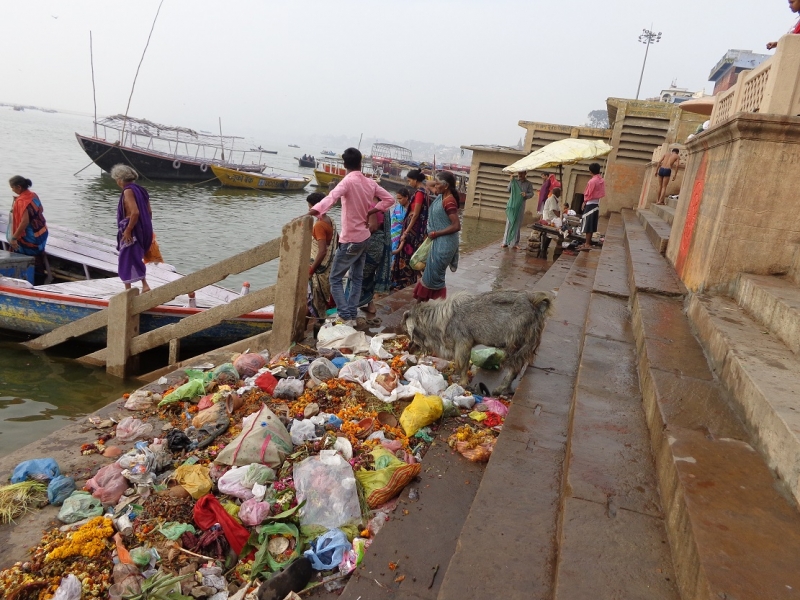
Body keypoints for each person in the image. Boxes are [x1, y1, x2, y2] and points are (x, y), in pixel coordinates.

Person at [307, 148, 394, 326]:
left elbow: (331, 197)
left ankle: (346, 315)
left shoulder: (347, 181)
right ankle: (352, 314)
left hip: (350, 239)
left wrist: (316, 210)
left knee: (335, 278)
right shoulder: (369, 183)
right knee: (357, 277)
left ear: (345, 164)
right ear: (360, 163)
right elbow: (389, 200)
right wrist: (372, 209)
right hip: (364, 237)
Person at [414, 171, 461, 301]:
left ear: (445, 186)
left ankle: (427, 309)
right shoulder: (442, 196)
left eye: (437, 184)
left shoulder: (449, 201)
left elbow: (456, 226)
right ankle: (426, 309)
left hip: (444, 244)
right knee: (430, 276)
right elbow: (426, 183)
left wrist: (436, 233)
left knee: (433, 278)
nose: (435, 186)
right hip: (438, 242)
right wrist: (434, 182)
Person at [346, 197, 391, 322]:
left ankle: (350, 312)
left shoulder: (370, 204)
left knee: (357, 276)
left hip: (371, 245)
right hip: (379, 245)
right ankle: (370, 306)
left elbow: (373, 227)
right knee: (368, 276)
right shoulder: (383, 205)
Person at [111, 164, 153, 292]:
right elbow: (149, 212)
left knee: (125, 257)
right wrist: (144, 226)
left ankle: (129, 289)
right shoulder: (141, 190)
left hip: (132, 228)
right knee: (135, 256)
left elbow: (135, 212)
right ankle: (144, 285)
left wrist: (128, 230)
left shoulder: (128, 191)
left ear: (119, 180)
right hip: (143, 228)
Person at [391, 169, 430, 290]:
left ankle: (404, 283)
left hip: (413, 231)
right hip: (417, 229)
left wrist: (407, 231)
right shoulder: (425, 190)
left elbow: (416, 214)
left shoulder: (419, 193)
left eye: (409, 180)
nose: (409, 183)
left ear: (415, 180)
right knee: (409, 255)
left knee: (406, 256)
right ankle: (408, 282)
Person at [306, 192, 338, 323]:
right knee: (318, 301)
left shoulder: (319, 225)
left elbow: (322, 251)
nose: (308, 210)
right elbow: (337, 242)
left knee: (312, 301)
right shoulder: (330, 220)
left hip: (319, 269)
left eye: (309, 207)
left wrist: (311, 270)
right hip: (328, 268)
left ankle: (301, 331)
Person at [7, 175, 48, 257]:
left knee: (13, 246)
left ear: (19, 187)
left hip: (33, 239)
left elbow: (24, 222)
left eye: (12, 187)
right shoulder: (33, 195)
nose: (12, 190)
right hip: (42, 234)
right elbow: (41, 209)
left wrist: (14, 238)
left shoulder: (21, 201)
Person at [502, 170, 534, 249]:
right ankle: (505, 242)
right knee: (509, 223)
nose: (520, 175)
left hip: (520, 206)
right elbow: (508, 190)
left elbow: (531, 193)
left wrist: (525, 194)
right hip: (512, 205)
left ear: (525, 174)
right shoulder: (514, 181)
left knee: (517, 224)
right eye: (519, 173)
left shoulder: (528, 184)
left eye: (522, 173)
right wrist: (511, 181)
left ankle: (515, 243)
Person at [581, 163, 605, 251]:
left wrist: (584, 202)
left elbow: (588, 193)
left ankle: (587, 243)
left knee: (588, 224)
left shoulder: (592, 181)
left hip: (590, 203)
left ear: (590, 171)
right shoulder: (601, 180)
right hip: (596, 203)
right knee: (591, 224)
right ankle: (587, 242)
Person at [391, 188, 411, 266]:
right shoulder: (397, 207)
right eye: (397, 199)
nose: (399, 200)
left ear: (406, 197)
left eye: (400, 198)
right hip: (394, 235)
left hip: (406, 235)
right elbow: (393, 221)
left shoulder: (411, 209)